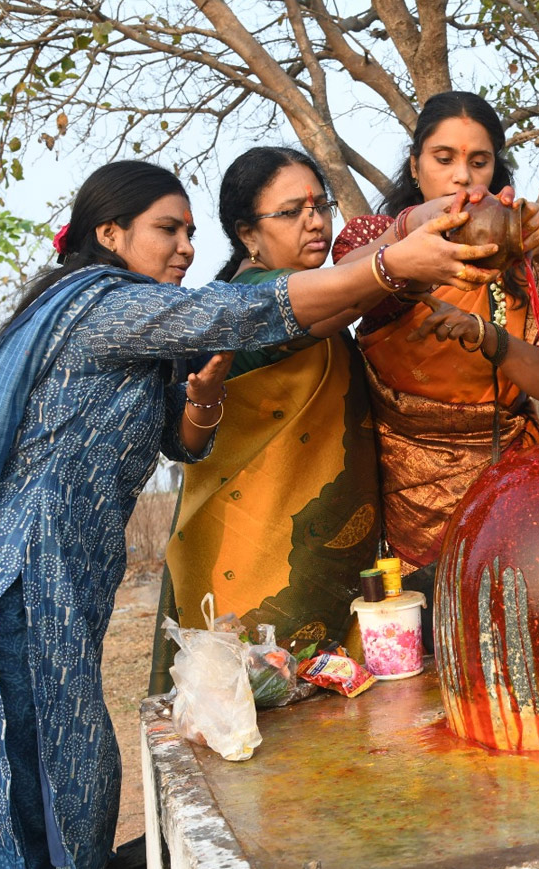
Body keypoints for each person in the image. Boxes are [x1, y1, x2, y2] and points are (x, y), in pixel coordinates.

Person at [0, 160, 498, 869]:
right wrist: (390, 264)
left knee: (76, 763)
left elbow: (183, 442)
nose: (185, 248)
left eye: (190, 232)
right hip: (23, 572)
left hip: (70, 577)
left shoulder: (142, 329)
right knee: (39, 774)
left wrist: (201, 399)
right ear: (109, 234)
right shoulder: (104, 306)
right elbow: (238, 312)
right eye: (167, 230)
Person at [330, 90, 539, 617]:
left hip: (507, 489)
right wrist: (408, 235)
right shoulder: (378, 238)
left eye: (478, 162)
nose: (462, 177)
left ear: (495, 172)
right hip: (402, 493)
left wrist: (490, 338)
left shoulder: (522, 260)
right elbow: (338, 288)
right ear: (415, 166)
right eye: (444, 159)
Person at [148, 147, 381, 694]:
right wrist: (400, 257)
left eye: (320, 207)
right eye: (292, 211)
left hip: (315, 553)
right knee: (256, 706)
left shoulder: (316, 294)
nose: (315, 222)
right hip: (255, 562)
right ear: (248, 234)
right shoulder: (248, 301)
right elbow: (346, 297)